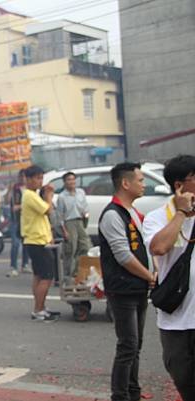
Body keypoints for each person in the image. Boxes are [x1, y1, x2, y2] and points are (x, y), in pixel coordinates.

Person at [98, 162, 156, 401]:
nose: (144, 184)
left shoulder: (132, 212)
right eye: (140, 180)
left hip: (138, 287)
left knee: (136, 345)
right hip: (122, 289)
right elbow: (123, 255)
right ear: (125, 183)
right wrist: (149, 275)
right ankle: (120, 395)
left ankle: (133, 391)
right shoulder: (112, 214)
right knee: (128, 345)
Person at [143, 155, 195, 401]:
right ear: (179, 185)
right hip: (176, 320)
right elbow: (159, 247)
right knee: (185, 380)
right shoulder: (157, 217)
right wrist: (181, 214)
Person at [21, 165, 60, 321]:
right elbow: (47, 210)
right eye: (37, 178)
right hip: (36, 241)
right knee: (47, 276)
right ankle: (38, 310)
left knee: (39, 276)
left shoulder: (33, 195)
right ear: (29, 179)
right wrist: (49, 195)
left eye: (41, 178)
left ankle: (40, 307)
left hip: (38, 239)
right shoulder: (29, 195)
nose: (40, 181)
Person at [57, 172, 92, 277]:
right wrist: (64, 230)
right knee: (71, 249)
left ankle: (77, 272)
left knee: (85, 246)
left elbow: (85, 207)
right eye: (69, 180)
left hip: (80, 221)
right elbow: (60, 216)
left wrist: (85, 218)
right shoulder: (62, 197)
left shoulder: (80, 192)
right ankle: (67, 275)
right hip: (69, 223)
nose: (71, 182)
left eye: (73, 179)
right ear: (64, 182)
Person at [8, 169, 30, 277]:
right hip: (16, 219)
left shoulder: (30, 189)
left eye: (24, 176)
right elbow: (12, 205)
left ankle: (25, 264)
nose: (22, 179)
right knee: (15, 244)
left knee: (26, 243)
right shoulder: (15, 188)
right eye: (21, 176)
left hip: (27, 220)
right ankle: (13, 266)